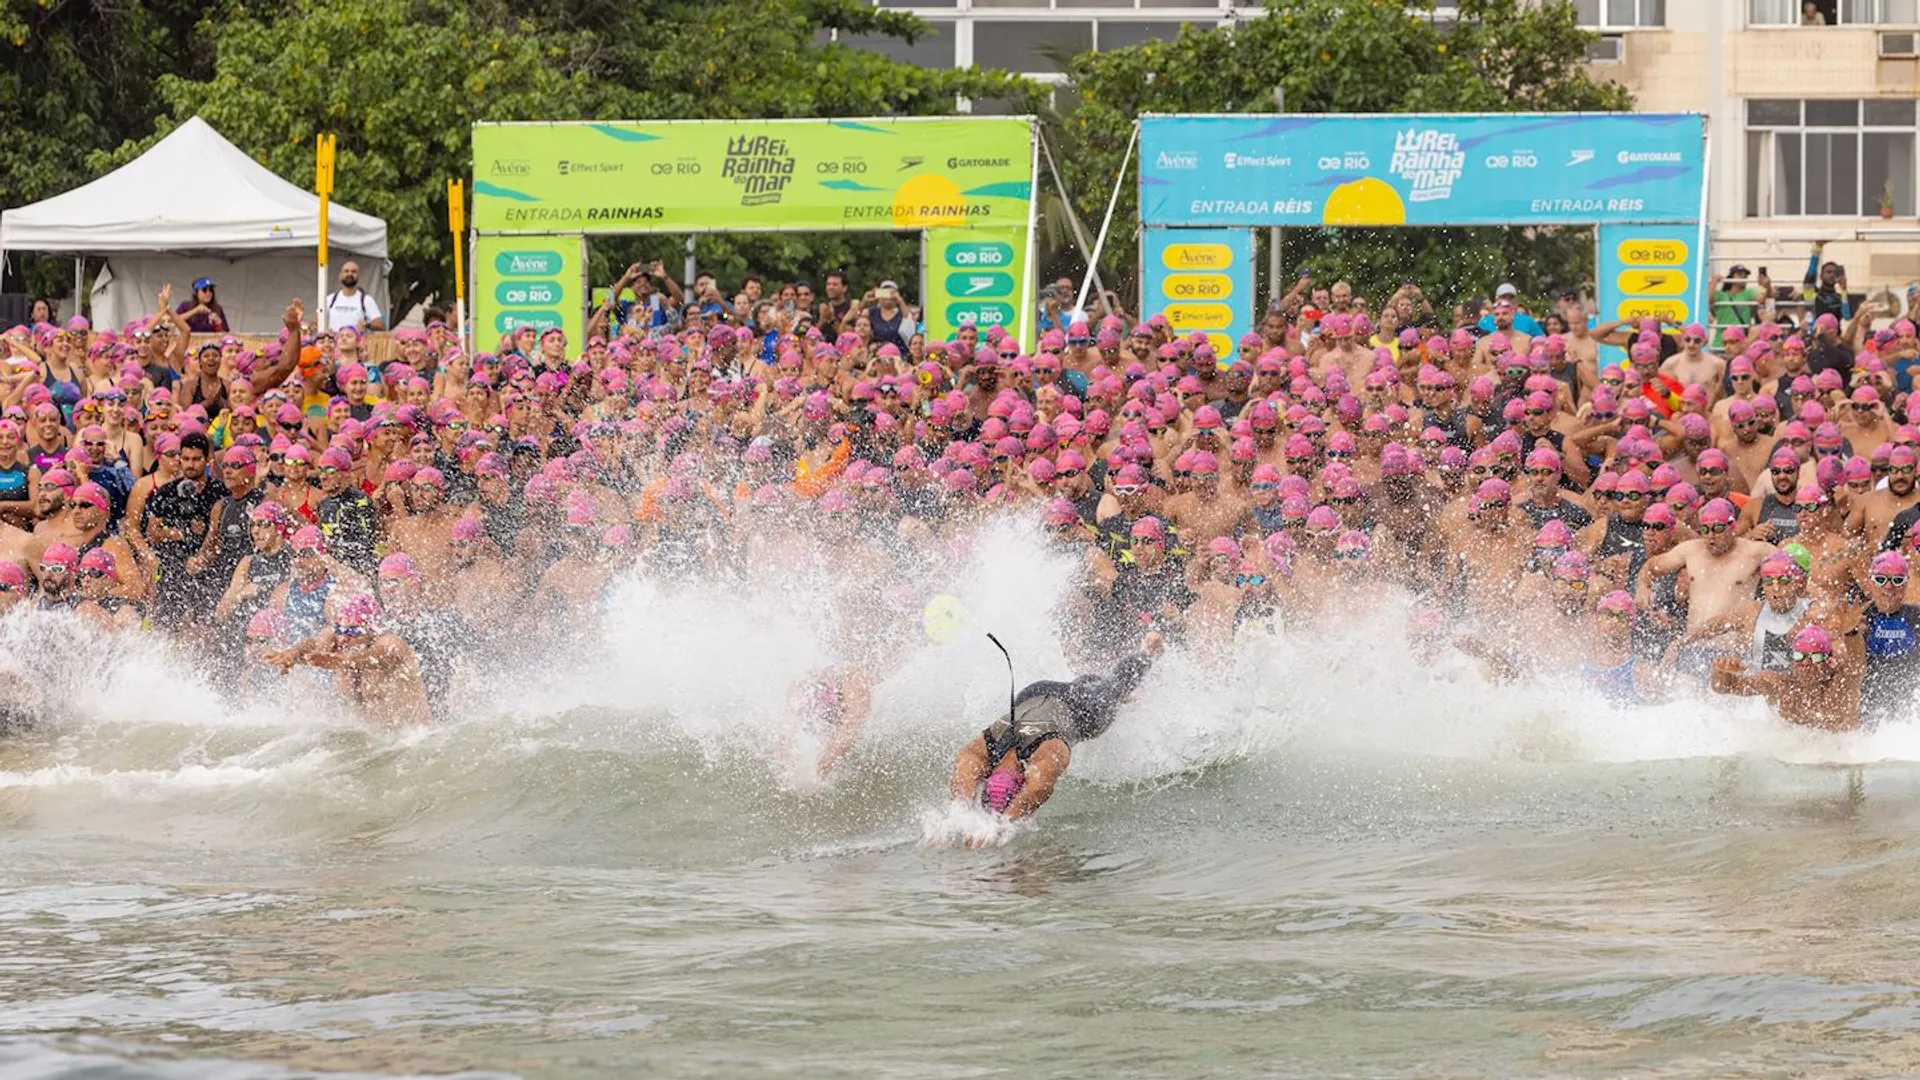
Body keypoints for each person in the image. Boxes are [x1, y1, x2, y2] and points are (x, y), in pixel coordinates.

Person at [948, 631, 1163, 830]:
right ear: (990, 774)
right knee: (1092, 685)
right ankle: (1113, 681)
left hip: (1081, 709)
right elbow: (966, 758)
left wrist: (1002, 826)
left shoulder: (1048, 752)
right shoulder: (989, 748)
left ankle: (1146, 652)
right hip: (1033, 693)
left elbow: (1039, 790)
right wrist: (959, 809)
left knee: (1112, 686)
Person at [268, 592, 432, 728]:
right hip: (370, 746)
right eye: (339, 629)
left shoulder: (391, 644)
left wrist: (342, 660)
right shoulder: (337, 639)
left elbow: (376, 657)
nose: (343, 638)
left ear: (371, 630)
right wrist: (293, 653)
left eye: (353, 631)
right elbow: (313, 646)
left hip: (411, 742)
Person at [323, 261, 385, 332]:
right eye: (346, 271)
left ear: (358, 276)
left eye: (354, 271)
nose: (350, 274)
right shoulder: (330, 299)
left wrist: (367, 324)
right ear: (340, 276)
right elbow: (316, 323)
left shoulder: (366, 300)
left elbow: (381, 326)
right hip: (335, 342)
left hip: (356, 342)